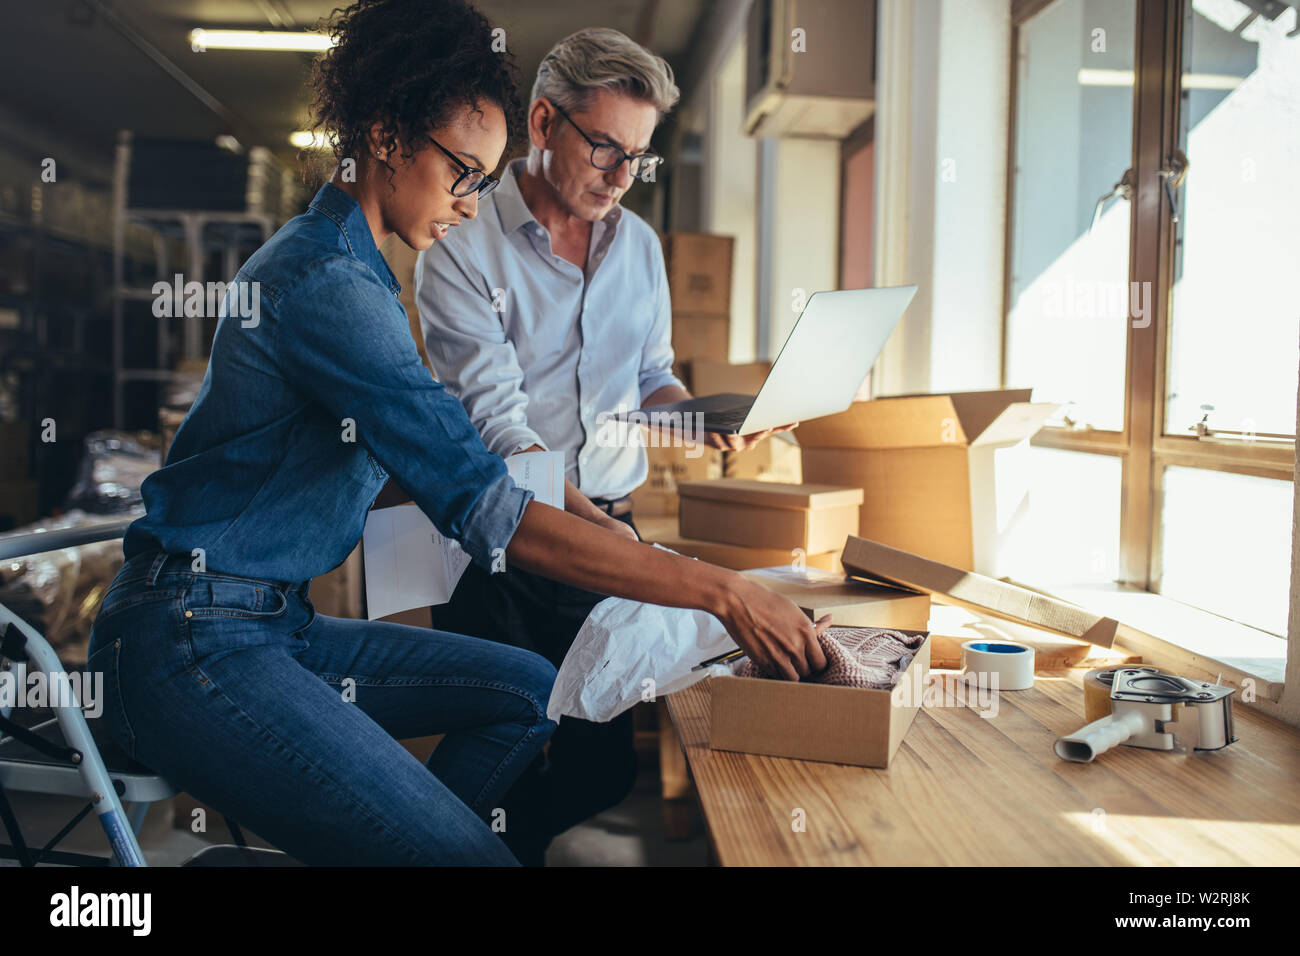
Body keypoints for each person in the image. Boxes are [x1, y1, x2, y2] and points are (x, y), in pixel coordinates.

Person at [84, 0, 826, 867]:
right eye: (463, 174)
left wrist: (604, 502)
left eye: (483, 179)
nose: (473, 205)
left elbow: (432, 467)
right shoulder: (330, 285)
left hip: (273, 623)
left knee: (527, 693)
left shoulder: (356, 267)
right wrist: (718, 590)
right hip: (189, 634)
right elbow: (490, 502)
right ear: (387, 136)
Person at [416, 27, 792, 865]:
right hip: (505, 540)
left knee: (599, 767)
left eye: (639, 158)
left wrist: (705, 421)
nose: (622, 177)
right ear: (544, 122)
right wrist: (594, 530)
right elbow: (500, 428)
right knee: (501, 748)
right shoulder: (462, 244)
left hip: (611, 527)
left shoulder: (641, 249)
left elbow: (649, 379)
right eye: (605, 149)